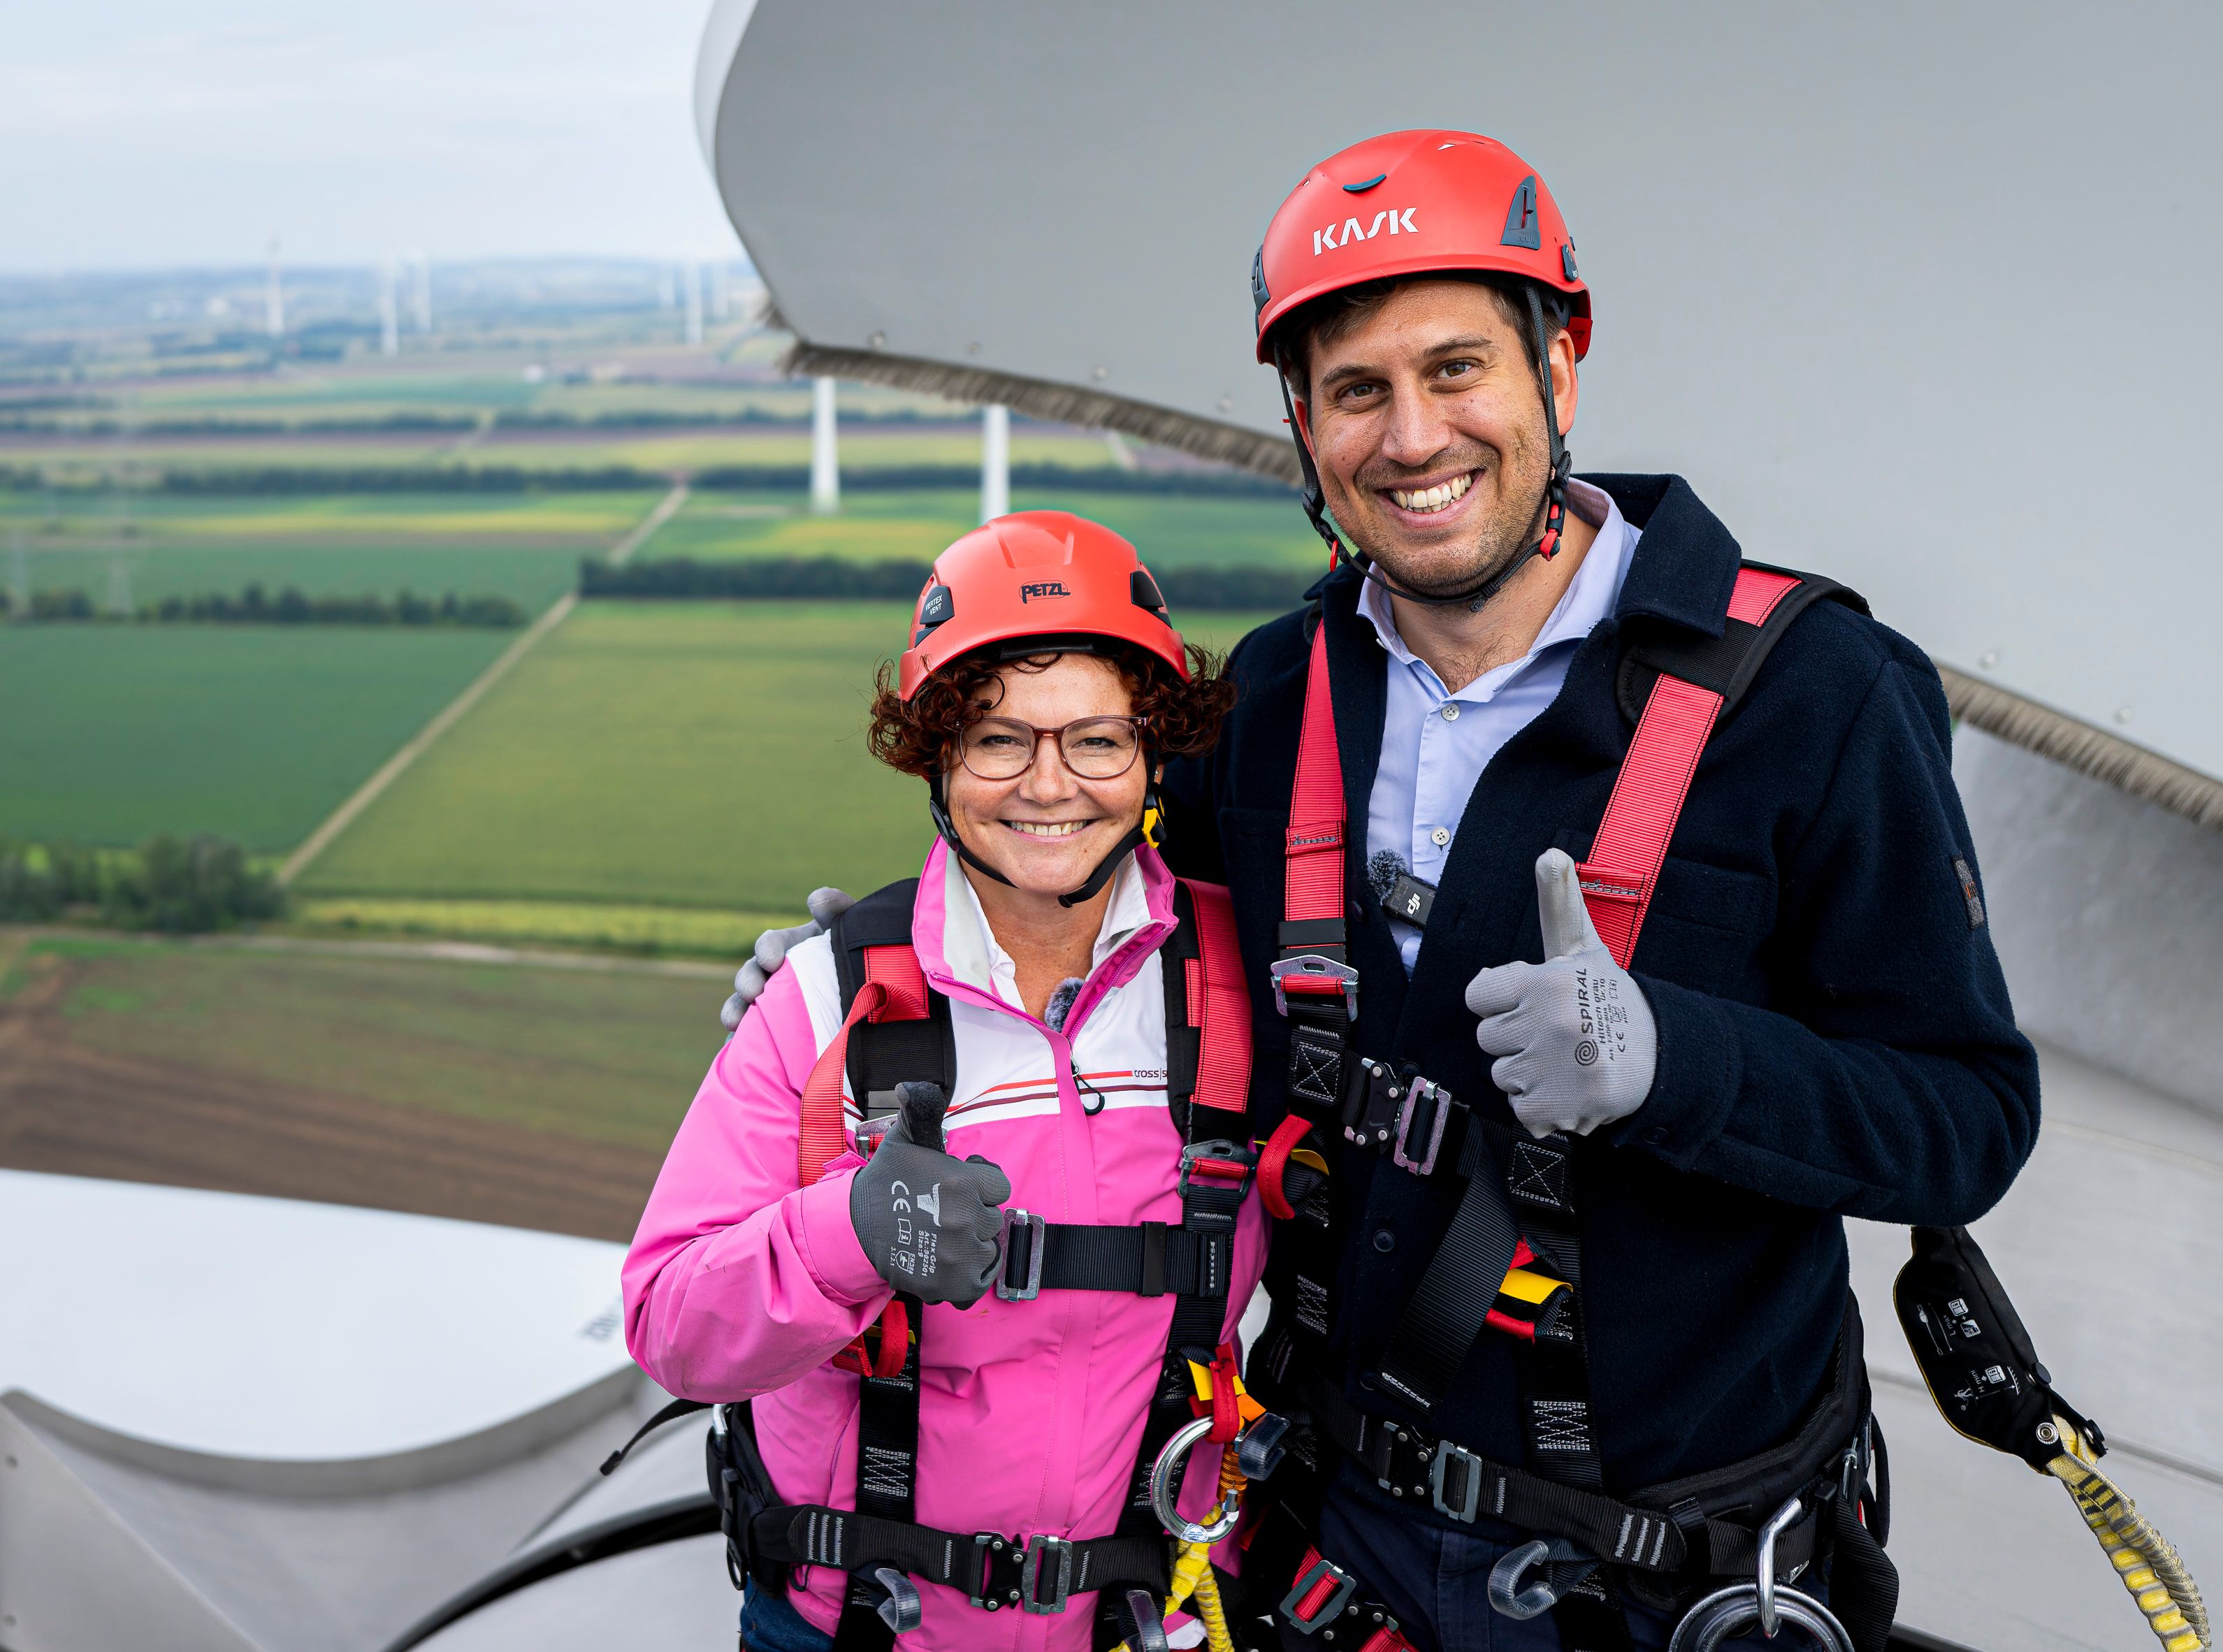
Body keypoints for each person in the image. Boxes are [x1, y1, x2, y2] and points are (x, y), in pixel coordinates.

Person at [727, 131, 2039, 1652]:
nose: (1411, 437)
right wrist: (867, 992)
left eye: (1456, 369)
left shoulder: (1808, 699)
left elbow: (1961, 1120)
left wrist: (1680, 1061)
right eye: (1356, 391)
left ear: (1562, 362)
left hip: (1660, 1575)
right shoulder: (1284, 698)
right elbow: (1125, 948)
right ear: (1302, 422)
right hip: (1334, 1546)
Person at [630, 511, 1269, 1651]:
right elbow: (673, 1324)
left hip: (1151, 1621)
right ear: (935, 756)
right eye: (998, 740)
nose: (1048, 786)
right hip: (858, 1627)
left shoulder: (1235, 990)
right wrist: (846, 1238)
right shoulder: (835, 1003)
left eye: (1097, 741)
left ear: (1155, 754)